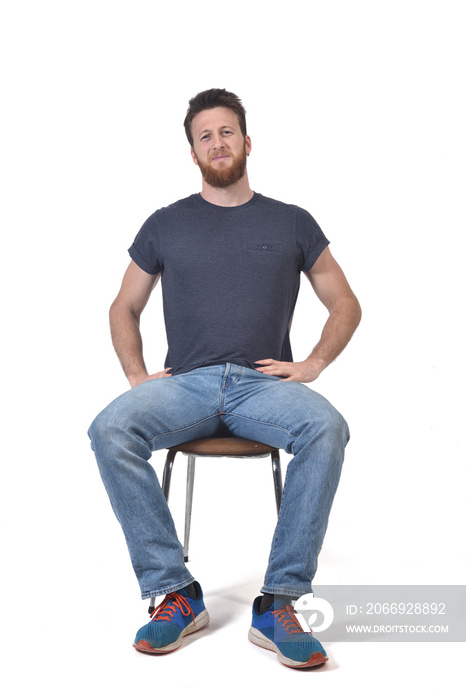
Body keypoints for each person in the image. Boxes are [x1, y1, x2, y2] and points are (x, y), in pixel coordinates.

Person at [88, 88, 361, 669]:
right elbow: (122, 307)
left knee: (327, 427)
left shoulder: (291, 221)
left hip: (263, 387)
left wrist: (311, 365)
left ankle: (279, 600)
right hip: (184, 384)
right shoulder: (166, 223)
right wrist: (138, 377)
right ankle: (176, 593)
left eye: (227, 132)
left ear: (247, 142)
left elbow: (344, 302)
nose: (217, 142)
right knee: (110, 428)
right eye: (205, 136)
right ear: (193, 152)